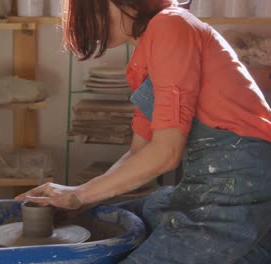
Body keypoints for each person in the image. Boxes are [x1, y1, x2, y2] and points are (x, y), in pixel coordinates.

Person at [15, 0, 271, 263]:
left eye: (90, 10)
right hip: (209, 184)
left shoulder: (171, 25)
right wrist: (81, 199)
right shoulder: (147, 50)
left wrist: (79, 194)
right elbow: (140, 151)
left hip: (242, 187)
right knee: (129, 215)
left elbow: (166, 153)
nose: (89, 22)